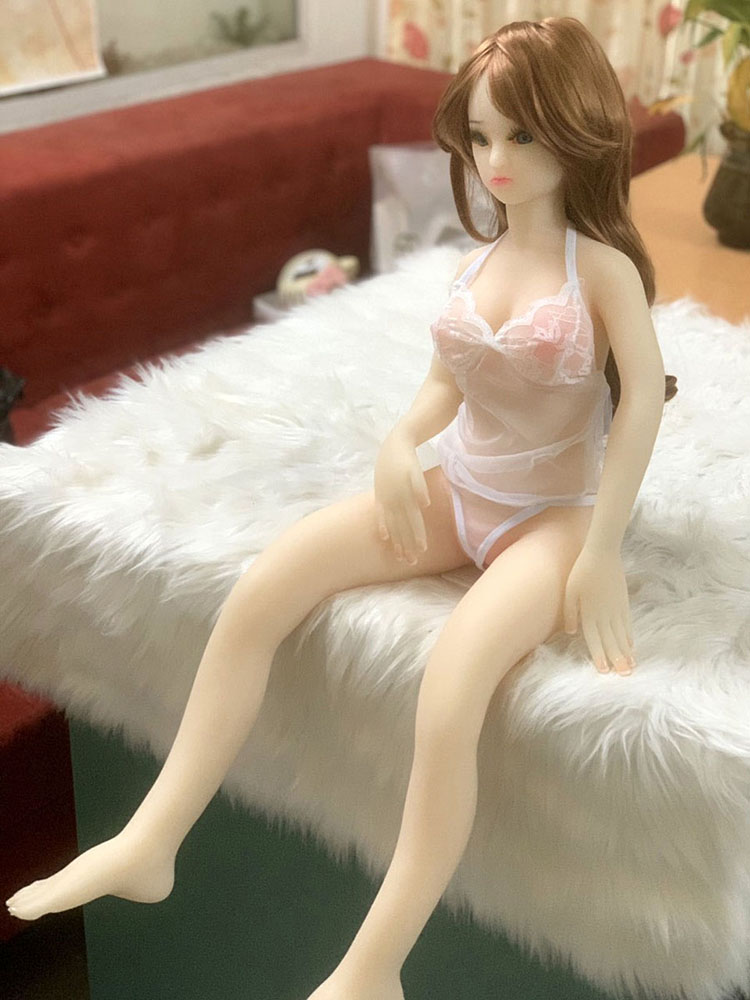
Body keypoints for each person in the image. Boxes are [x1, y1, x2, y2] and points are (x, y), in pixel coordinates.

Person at [7, 15, 674, 1000]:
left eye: (521, 134)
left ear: (574, 128)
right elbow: (444, 385)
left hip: (552, 516)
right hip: (461, 488)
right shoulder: (478, 262)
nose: (495, 159)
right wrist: (401, 444)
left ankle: (374, 965)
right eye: (481, 135)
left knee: (448, 692)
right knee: (266, 585)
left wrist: (603, 547)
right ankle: (150, 837)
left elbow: (643, 405)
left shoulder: (600, 270)